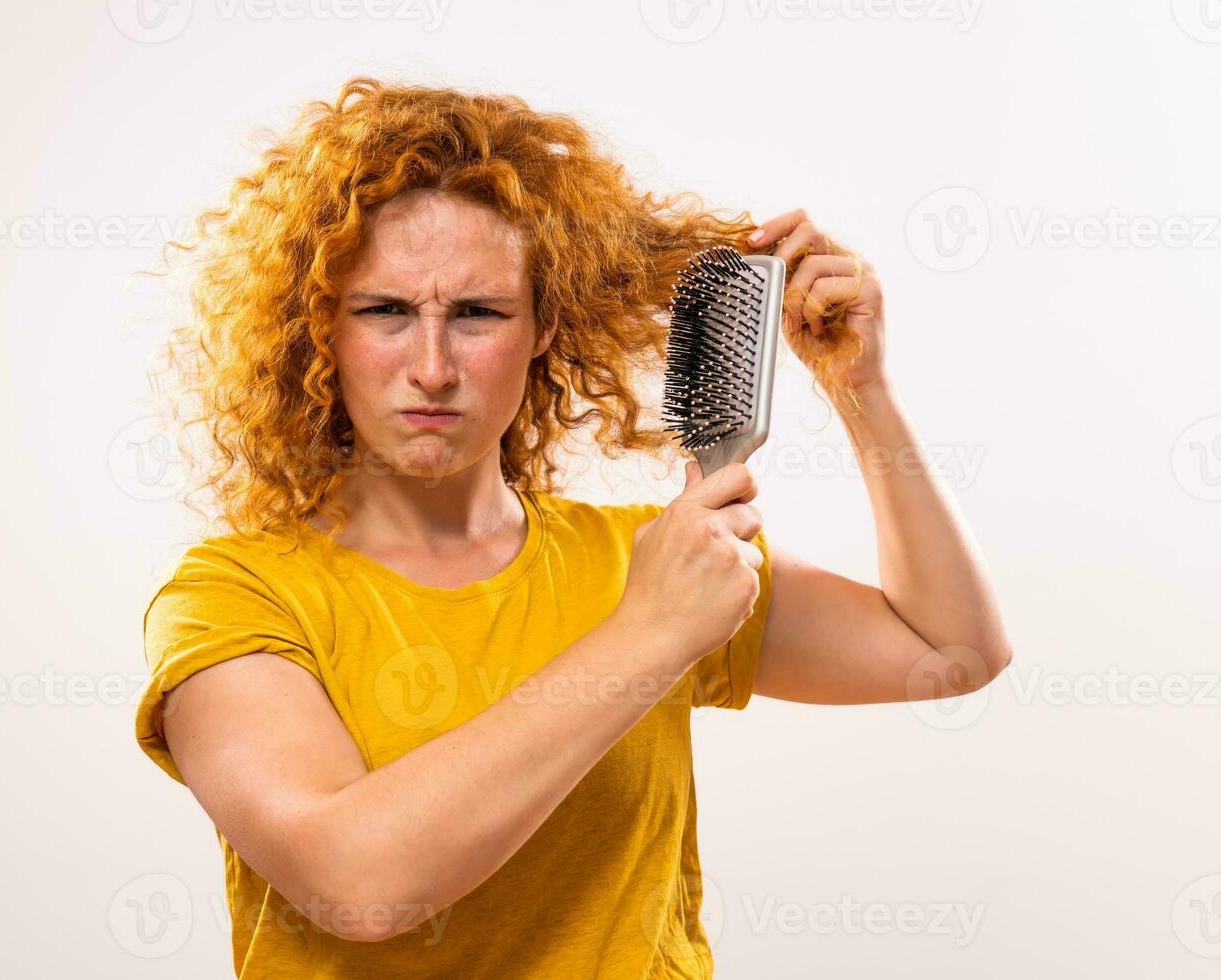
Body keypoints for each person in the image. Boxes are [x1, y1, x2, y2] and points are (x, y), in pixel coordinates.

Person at [132, 76, 1012, 978]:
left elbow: (948, 648)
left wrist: (859, 390)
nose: (431, 367)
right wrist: (650, 633)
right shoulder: (232, 595)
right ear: (322, 329)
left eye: (477, 313)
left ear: (545, 325)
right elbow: (357, 883)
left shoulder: (646, 558)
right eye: (386, 311)